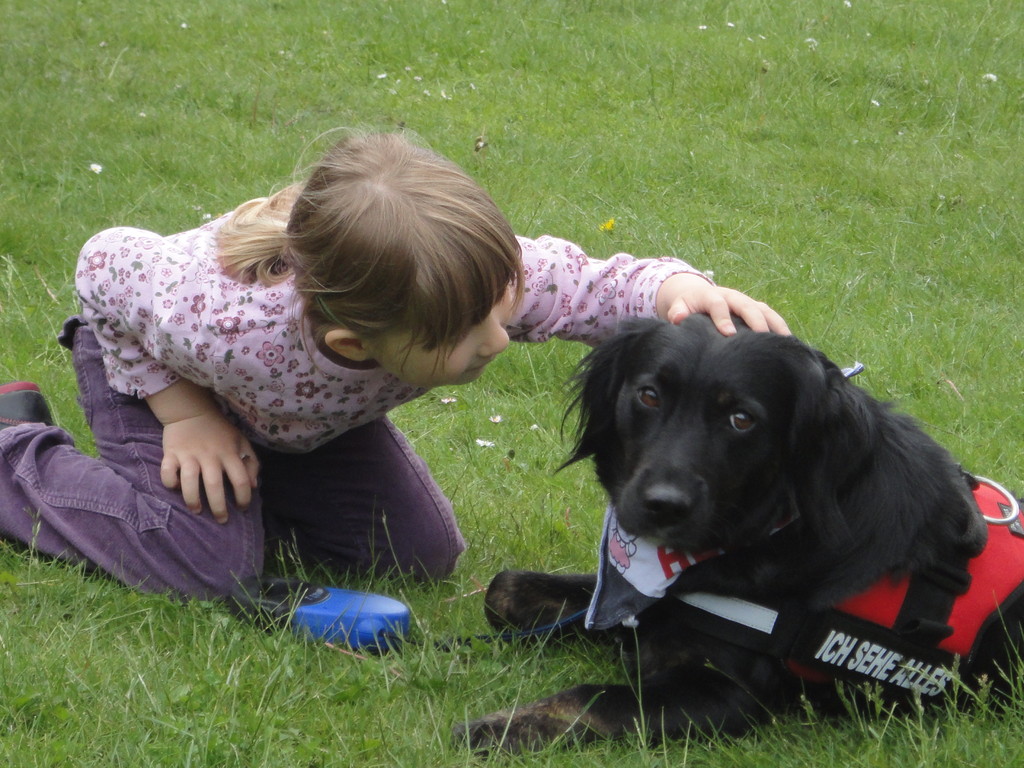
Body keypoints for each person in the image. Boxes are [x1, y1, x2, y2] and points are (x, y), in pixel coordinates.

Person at [0, 132, 788, 599]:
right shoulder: (220, 322)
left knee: (418, 554)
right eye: (463, 333)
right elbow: (103, 265)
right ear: (355, 347)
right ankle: (17, 456)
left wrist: (683, 288)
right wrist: (184, 414)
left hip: (297, 421)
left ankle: (253, 489)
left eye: (501, 304)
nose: (498, 339)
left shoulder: (477, 285)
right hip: (158, 379)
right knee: (210, 565)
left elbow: (589, 286)